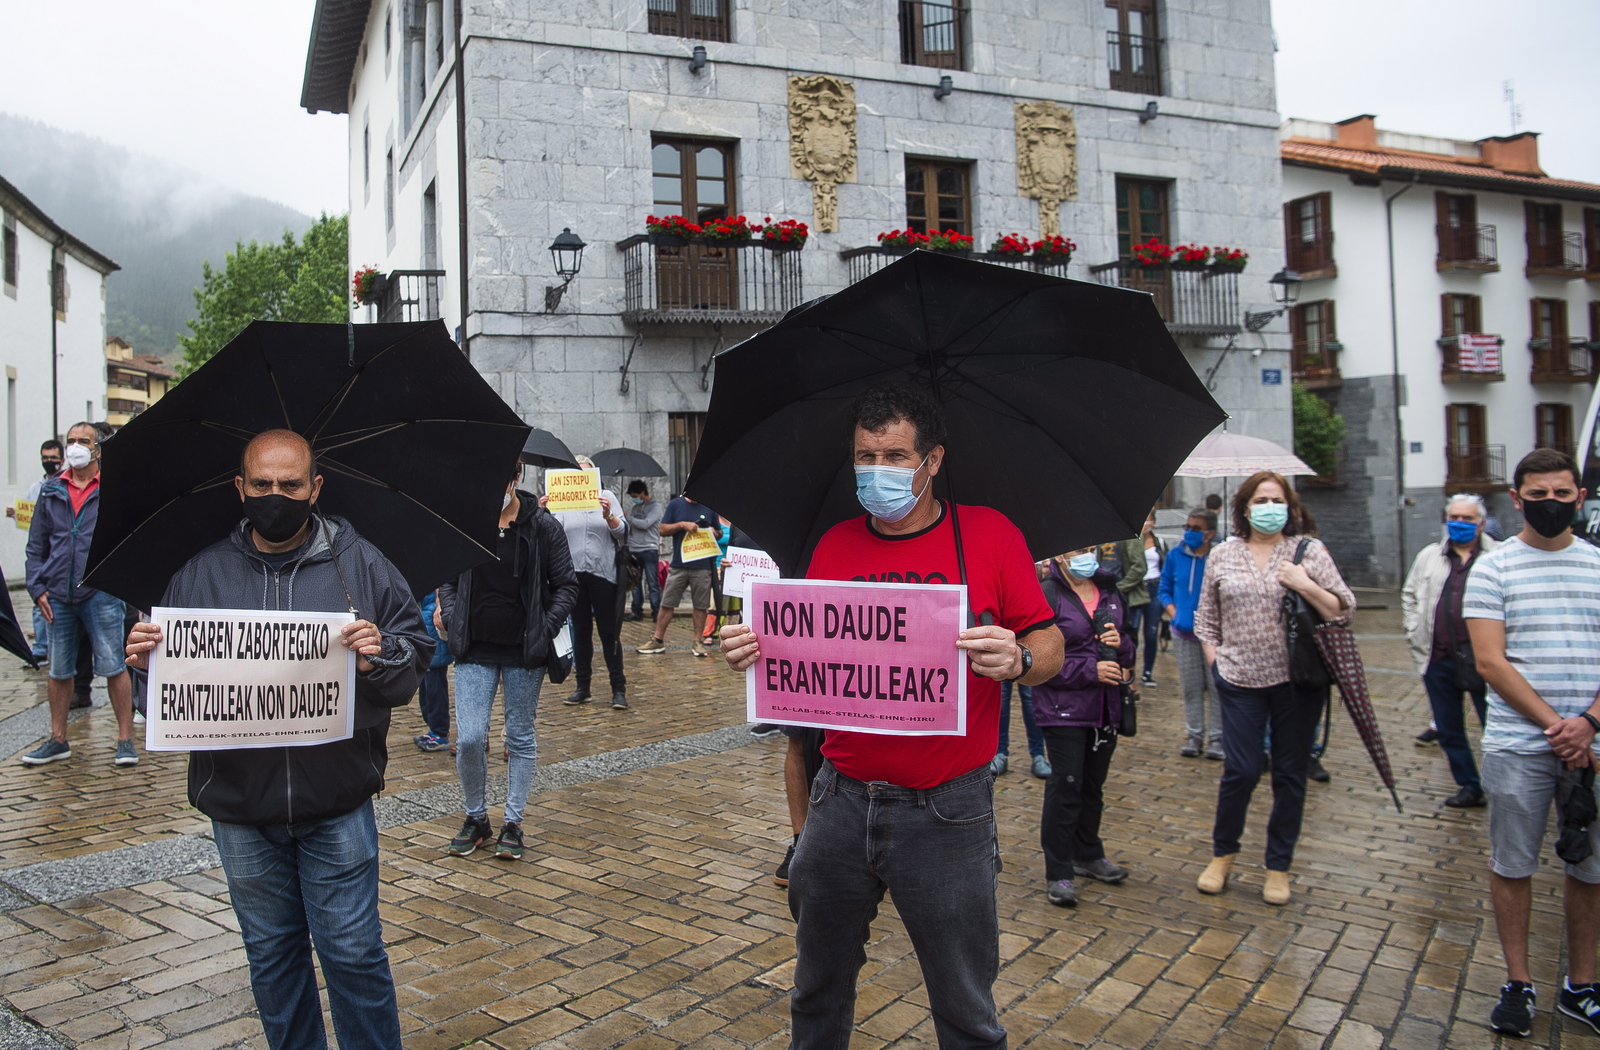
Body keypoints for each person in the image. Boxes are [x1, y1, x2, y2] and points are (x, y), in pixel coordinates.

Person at [720, 383, 1065, 1049]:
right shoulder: (834, 545)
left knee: (965, 1005)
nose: (877, 473)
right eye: (864, 458)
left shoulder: (989, 536)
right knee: (816, 988)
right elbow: (806, 650)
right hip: (840, 801)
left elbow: (1050, 646)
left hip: (947, 811)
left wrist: (1018, 656)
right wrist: (755, 648)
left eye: (895, 457)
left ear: (933, 461)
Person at [123, 429, 432, 1050]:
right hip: (240, 807)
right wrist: (143, 663)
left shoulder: (362, 564)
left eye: (290, 485)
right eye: (262, 484)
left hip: (336, 799)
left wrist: (379, 656)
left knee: (353, 955)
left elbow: (415, 654)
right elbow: (168, 683)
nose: (276, 496)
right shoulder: (200, 575)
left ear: (315, 488)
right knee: (271, 957)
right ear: (240, 488)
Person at [1463, 448, 1600, 1038]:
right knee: (1513, 863)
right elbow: (1491, 662)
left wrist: (1589, 723)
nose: (1551, 505)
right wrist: (1559, 727)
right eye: (1538, 496)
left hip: (1593, 744)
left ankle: (1582, 985)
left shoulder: (1599, 565)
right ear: (1516, 500)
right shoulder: (1493, 569)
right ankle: (1518, 981)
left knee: (1591, 870)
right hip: (1520, 745)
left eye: (1561, 495)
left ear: (1580, 497)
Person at [1192, 471, 1355, 906]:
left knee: (1289, 775)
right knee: (1241, 771)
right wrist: (1217, 665)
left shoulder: (1309, 551)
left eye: (1276, 499)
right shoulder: (1223, 554)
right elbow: (1205, 618)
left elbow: (1343, 610)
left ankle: (1278, 865)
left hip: (1298, 683)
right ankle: (1223, 855)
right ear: (1245, 507)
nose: (1269, 507)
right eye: (1260, 500)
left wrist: (1304, 584)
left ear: (1290, 507)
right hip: (1239, 680)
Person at [438, 466, 578, 861]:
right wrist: (451, 614)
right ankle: (476, 817)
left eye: (498, 479)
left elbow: (567, 585)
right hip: (474, 648)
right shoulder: (466, 522)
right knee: (469, 738)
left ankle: (513, 822)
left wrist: (543, 627)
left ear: (515, 477)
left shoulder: (542, 527)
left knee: (519, 736)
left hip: (523, 651)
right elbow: (447, 578)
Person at [20, 423, 137, 767]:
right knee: (58, 671)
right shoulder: (52, 489)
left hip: (100, 592)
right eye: (70, 441)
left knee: (114, 665)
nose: (74, 447)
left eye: (82, 442)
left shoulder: (112, 488)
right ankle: (58, 739)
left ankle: (125, 739)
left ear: (97, 449)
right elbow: (36, 543)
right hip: (57, 592)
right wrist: (35, 586)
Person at [1032, 547, 1135, 907]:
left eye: (1091, 549)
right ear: (1059, 556)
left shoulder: (1109, 590)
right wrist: (1088, 670)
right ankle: (1058, 868)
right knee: (1067, 783)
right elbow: (1035, 658)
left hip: (1106, 707)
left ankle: (1088, 852)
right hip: (1063, 709)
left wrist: (1122, 647)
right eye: (1078, 550)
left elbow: (1130, 642)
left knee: (1093, 785)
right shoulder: (1048, 593)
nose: (1085, 555)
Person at [1401, 493, 1498, 808]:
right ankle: (1470, 785)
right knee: (1449, 728)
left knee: (1494, 727)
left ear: (1481, 523)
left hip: (1485, 660)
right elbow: (1410, 593)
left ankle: (1503, 787)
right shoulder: (1430, 556)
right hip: (1438, 658)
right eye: (1454, 517)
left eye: (1468, 518)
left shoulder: (1498, 556)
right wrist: (1413, 629)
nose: (1460, 523)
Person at [545, 456, 628, 709]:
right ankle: (583, 687)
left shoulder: (607, 497)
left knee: (609, 633)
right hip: (572, 576)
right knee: (579, 632)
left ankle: (618, 689)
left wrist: (608, 515)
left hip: (602, 573)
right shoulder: (563, 502)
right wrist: (543, 513)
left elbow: (623, 531)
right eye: (576, 475)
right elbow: (549, 533)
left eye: (586, 474)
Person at [1160, 507, 1222, 760]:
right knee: (1191, 687)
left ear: (1210, 533)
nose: (1189, 532)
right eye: (1187, 527)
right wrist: (1175, 614)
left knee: (1217, 686)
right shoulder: (1175, 555)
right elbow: (1164, 588)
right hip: (1183, 633)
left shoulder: (1219, 557)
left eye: (1196, 528)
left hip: (1214, 637)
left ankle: (1218, 737)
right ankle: (1194, 733)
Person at [637, 491, 721, 657]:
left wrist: (712, 531)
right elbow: (662, 529)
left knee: (701, 605)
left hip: (703, 565)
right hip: (679, 564)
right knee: (668, 602)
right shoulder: (676, 504)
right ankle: (658, 640)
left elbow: (719, 533)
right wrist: (682, 525)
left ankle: (698, 641)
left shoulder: (710, 507)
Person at [12, 439, 62, 662]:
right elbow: (34, 521)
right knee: (39, 602)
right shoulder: (37, 488)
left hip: (59, 557)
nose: (48, 462)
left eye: (52, 458)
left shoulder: (64, 484)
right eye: (45, 458)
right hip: (45, 557)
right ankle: (40, 648)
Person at [1127, 512, 1166, 687]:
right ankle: (1131, 671)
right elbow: (1135, 562)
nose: (1146, 522)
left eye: (1149, 518)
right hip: (1137, 587)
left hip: (1155, 586)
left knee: (1151, 632)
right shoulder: (1133, 541)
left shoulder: (1159, 541)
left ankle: (1148, 672)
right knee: (1132, 631)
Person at [413, 590, 453, 752]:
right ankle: (433, 729)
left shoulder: (435, 603)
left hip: (434, 640)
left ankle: (440, 732)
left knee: (435, 689)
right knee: (426, 691)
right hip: (426, 637)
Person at [624, 480, 663, 621]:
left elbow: (646, 524)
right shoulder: (635, 508)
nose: (634, 498)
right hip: (634, 549)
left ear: (642, 492)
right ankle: (636, 610)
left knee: (652, 582)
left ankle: (656, 612)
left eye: (635, 495)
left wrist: (628, 517)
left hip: (649, 549)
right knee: (635, 582)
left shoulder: (655, 507)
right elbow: (632, 527)